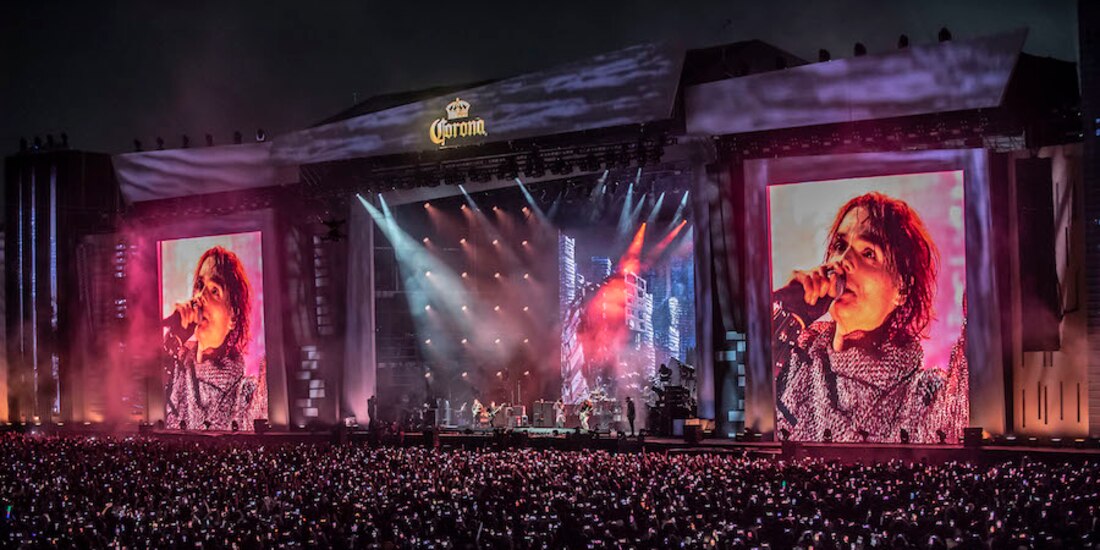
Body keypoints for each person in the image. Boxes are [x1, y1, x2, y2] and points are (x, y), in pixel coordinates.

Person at [774, 192, 967, 443]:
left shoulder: (926, 396)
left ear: (902, 289)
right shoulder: (791, 362)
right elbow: (743, 385)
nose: (843, 262)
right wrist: (787, 315)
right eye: (840, 247)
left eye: (868, 253)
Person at [164, 246, 265, 431]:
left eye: (214, 291)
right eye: (200, 286)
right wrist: (173, 339)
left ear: (233, 317)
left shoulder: (247, 393)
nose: (200, 298)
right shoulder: (174, 369)